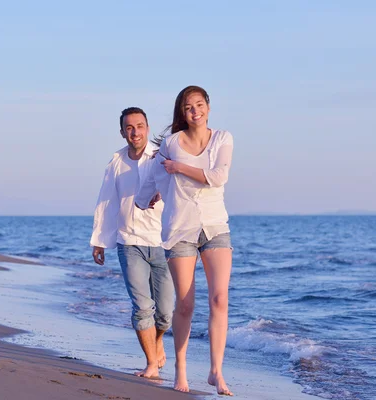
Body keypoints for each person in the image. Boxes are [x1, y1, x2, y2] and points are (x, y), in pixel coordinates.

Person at [136, 86, 234, 396]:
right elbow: (154, 175)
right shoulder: (171, 143)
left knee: (219, 299)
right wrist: (144, 199)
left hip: (215, 227)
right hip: (180, 229)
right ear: (183, 112)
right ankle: (180, 368)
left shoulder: (223, 139)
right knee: (186, 304)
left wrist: (179, 168)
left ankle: (216, 371)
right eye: (188, 107)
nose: (195, 111)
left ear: (208, 107)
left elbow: (218, 177)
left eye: (200, 104)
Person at [90, 107, 174, 379]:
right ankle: (151, 364)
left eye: (139, 126)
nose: (135, 132)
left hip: (163, 242)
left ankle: (157, 339)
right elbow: (107, 200)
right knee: (142, 307)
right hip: (129, 242)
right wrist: (100, 240)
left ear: (147, 128)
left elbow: (179, 191)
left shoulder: (161, 157)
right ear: (123, 132)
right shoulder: (116, 161)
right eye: (129, 127)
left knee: (165, 314)